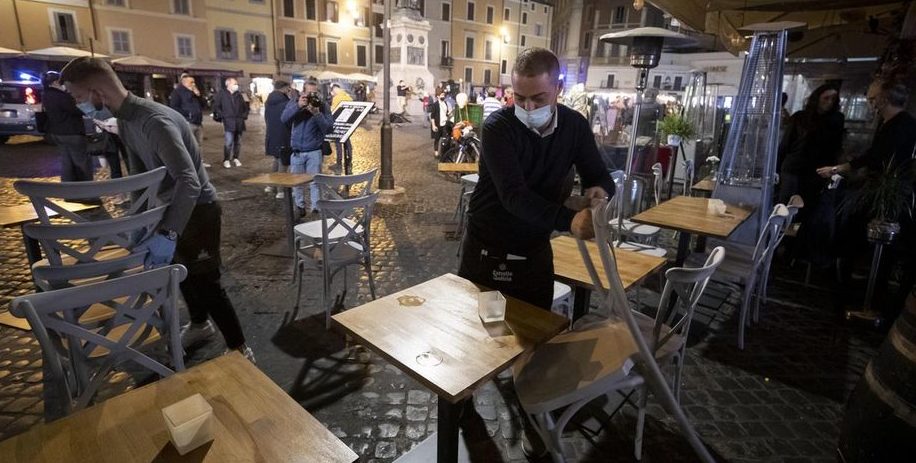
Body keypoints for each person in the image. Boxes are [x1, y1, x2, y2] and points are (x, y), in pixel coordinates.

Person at [59, 57, 254, 361]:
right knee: (184, 276)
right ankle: (202, 325)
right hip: (168, 208)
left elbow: (189, 182)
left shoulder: (154, 121)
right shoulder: (125, 119)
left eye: (78, 97)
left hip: (198, 210)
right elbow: (139, 176)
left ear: (98, 91)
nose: (77, 104)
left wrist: (168, 231)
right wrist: (140, 218)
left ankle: (239, 348)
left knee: (208, 282)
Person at [458, 48, 615, 310]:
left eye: (539, 99)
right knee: (485, 337)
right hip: (489, 249)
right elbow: (513, 196)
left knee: (538, 331)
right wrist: (569, 220)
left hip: (535, 249)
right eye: (519, 98)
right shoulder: (499, 127)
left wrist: (598, 191)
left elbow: (598, 173)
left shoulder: (574, 126)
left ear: (558, 88)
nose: (529, 108)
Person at [816, 80, 916, 325]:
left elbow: (876, 158)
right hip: (884, 194)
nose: (871, 104)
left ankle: (854, 298)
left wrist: (840, 167)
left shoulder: (899, 126)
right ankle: (859, 295)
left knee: (855, 240)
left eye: (872, 99)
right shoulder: (898, 124)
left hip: (885, 197)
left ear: (883, 99)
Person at [777, 85, 845, 212]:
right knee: (786, 208)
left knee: (808, 208)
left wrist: (832, 170)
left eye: (833, 99)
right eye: (826, 98)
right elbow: (786, 144)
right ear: (817, 98)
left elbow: (835, 148)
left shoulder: (836, 119)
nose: (829, 102)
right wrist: (776, 169)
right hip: (794, 169)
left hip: (817, 172)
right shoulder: (800, 117)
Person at [281, 78, 334, 216]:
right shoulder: (295, 102)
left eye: (314, 93)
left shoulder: (322, 106)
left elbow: (328, 128)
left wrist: (317, 114)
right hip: (297, 151)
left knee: (314, 182)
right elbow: (284, 119)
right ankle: (300, 207)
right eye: (308, 93)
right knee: (297, 182)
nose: (311, 97)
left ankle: (316, 208)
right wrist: (298, 106)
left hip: (314, 151)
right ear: (303, 92)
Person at [41, 71, 94, 183]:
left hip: (57, 133)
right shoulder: (61, 96)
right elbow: (77, 110)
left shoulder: (46, 95)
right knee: (82, 162)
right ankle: (88, 191)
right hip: (72, 132)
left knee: (66, 162)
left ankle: (68, 190)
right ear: (55, 82)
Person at [168, 73, 210, 168]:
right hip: (188, 122)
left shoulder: (194, 92)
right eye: (191, 82)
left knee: (199, 144)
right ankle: (189, 163)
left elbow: (204, 105)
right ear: (184, 82)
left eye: (194, 82)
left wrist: (198, 95)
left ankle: (199, 162)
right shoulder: (177, 92)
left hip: (198, 121)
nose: (193, 84)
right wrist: (187, 115)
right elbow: (174, 107)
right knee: (189, 144)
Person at [264, 80, 294, 199]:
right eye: (289, 88)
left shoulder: (269, 101)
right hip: (284, 134)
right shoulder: (285, 102)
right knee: (284, 161)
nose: (290, 90)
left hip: (272, 133)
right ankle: (281, 190)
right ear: (284, 88)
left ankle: (271, 185)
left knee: (277, 160)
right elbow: (289, 118)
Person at [212, 77, 249, 168]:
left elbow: (245, 107)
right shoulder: (222, 94)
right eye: (234, 83)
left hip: (239, 121)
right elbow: (216, 106)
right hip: (228, 122)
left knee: (238, 142)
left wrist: (244, 115)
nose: (236, 85)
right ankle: (226, 159)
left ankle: (236, 158)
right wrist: (223, 115)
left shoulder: (239, 95)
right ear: (228, 84)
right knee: (228, 142)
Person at [330, 83, 354, 174]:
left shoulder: (336, 98)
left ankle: (339, 164)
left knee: (338, 144)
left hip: (339, 124)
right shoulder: (348, 96)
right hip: (348, 124)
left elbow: (333, 111)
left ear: (333, 91)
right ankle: (349, 163)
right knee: (347, 143)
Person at [429, 87, 452, 157]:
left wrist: (450, 112)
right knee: (437, 139)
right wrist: (433, 125)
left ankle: (444, 152)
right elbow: (432, 116)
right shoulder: (435, 105)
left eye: (444, 95)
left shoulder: (445, 103)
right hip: (437, 124)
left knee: (445, 139)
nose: (443, 96)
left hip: (444, 124)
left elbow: (446, 113)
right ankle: (436, 152)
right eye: (442, 95)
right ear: (438, 96)